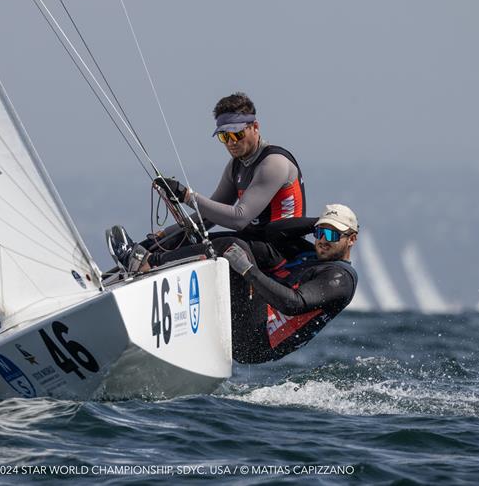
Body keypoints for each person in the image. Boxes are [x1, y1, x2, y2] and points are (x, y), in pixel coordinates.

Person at [111, 92, 306, 273]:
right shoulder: (235, 166)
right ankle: (133, 259)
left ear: (255, 127)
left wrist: (185, 195)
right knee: (181, 238)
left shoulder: (273, 163)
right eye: (224, 136)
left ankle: (148, 264)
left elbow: (239, 219)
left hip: (282, 252)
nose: (231, 142)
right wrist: (165, 236)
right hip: (256, 245)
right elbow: (208, 218)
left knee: (225, 244)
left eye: (236, 134)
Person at [221, 204, 359, 364]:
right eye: (319, 232)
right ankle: (188, 241)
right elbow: (271, 232)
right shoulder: (313, 255)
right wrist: (321, 221)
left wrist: (248, 271)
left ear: (351, 239)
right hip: (255, 320)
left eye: (331, 235)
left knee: (235, 248)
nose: (322, 240)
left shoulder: (341, 278)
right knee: (259, 247)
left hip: (256, 342)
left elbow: (293, 304)